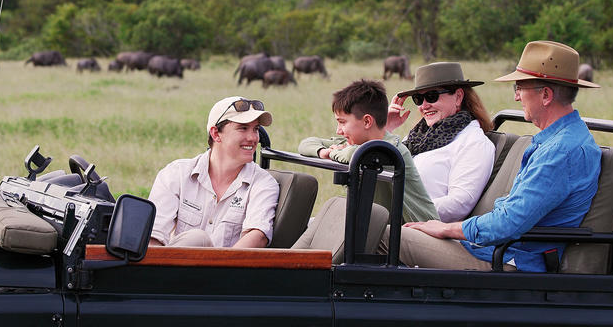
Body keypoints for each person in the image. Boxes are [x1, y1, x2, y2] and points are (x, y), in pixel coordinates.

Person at [383, 40, 602, 272]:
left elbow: (507, 223)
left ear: (546, 95)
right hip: (494, 248)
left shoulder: (561, 152)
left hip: (509, 260)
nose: (517, 97)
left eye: (519, 88)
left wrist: (446, 228)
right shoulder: (557, 139)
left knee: (379, 235)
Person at [298, 79, 439, 223]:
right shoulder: (353, 143)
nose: (338, 130)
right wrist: (323, 151)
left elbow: (351, 154)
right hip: (383, 227)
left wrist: (334, 152)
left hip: (420, 229)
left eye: (342, 122)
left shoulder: (391, 149)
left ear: (367, 122)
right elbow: (306, 143)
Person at [148, 96, 280, 248]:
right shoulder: (175, 174)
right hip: (173, 267)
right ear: (216, 134)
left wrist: (220, 270)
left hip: (228, 269)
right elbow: (153, 237)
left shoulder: (263, 183)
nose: (253, 138)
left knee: (197, 239)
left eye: (255, 129)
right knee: (196, 239)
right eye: (243, 128)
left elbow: (257, 236)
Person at [386, 62, 495, 222]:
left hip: (428, 231)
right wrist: (387, 129)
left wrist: (400, 208)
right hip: (398, 222)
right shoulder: (418, 136)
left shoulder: (473, 142)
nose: (424, 105)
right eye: (418, 99)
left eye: (431, 96)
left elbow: (459, 204)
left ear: (458, 97)